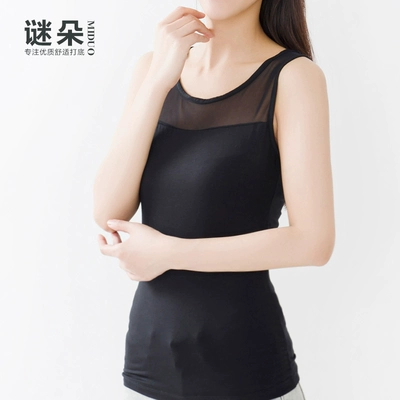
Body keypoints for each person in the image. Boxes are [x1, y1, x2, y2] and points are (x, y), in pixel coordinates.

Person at [93, 1, 335, 399]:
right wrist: (158, 80)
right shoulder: (152, 69)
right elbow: (108, 211)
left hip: (246, 373)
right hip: (149, 368)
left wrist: (168, 253)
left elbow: (313, 242)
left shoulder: (292, 77)